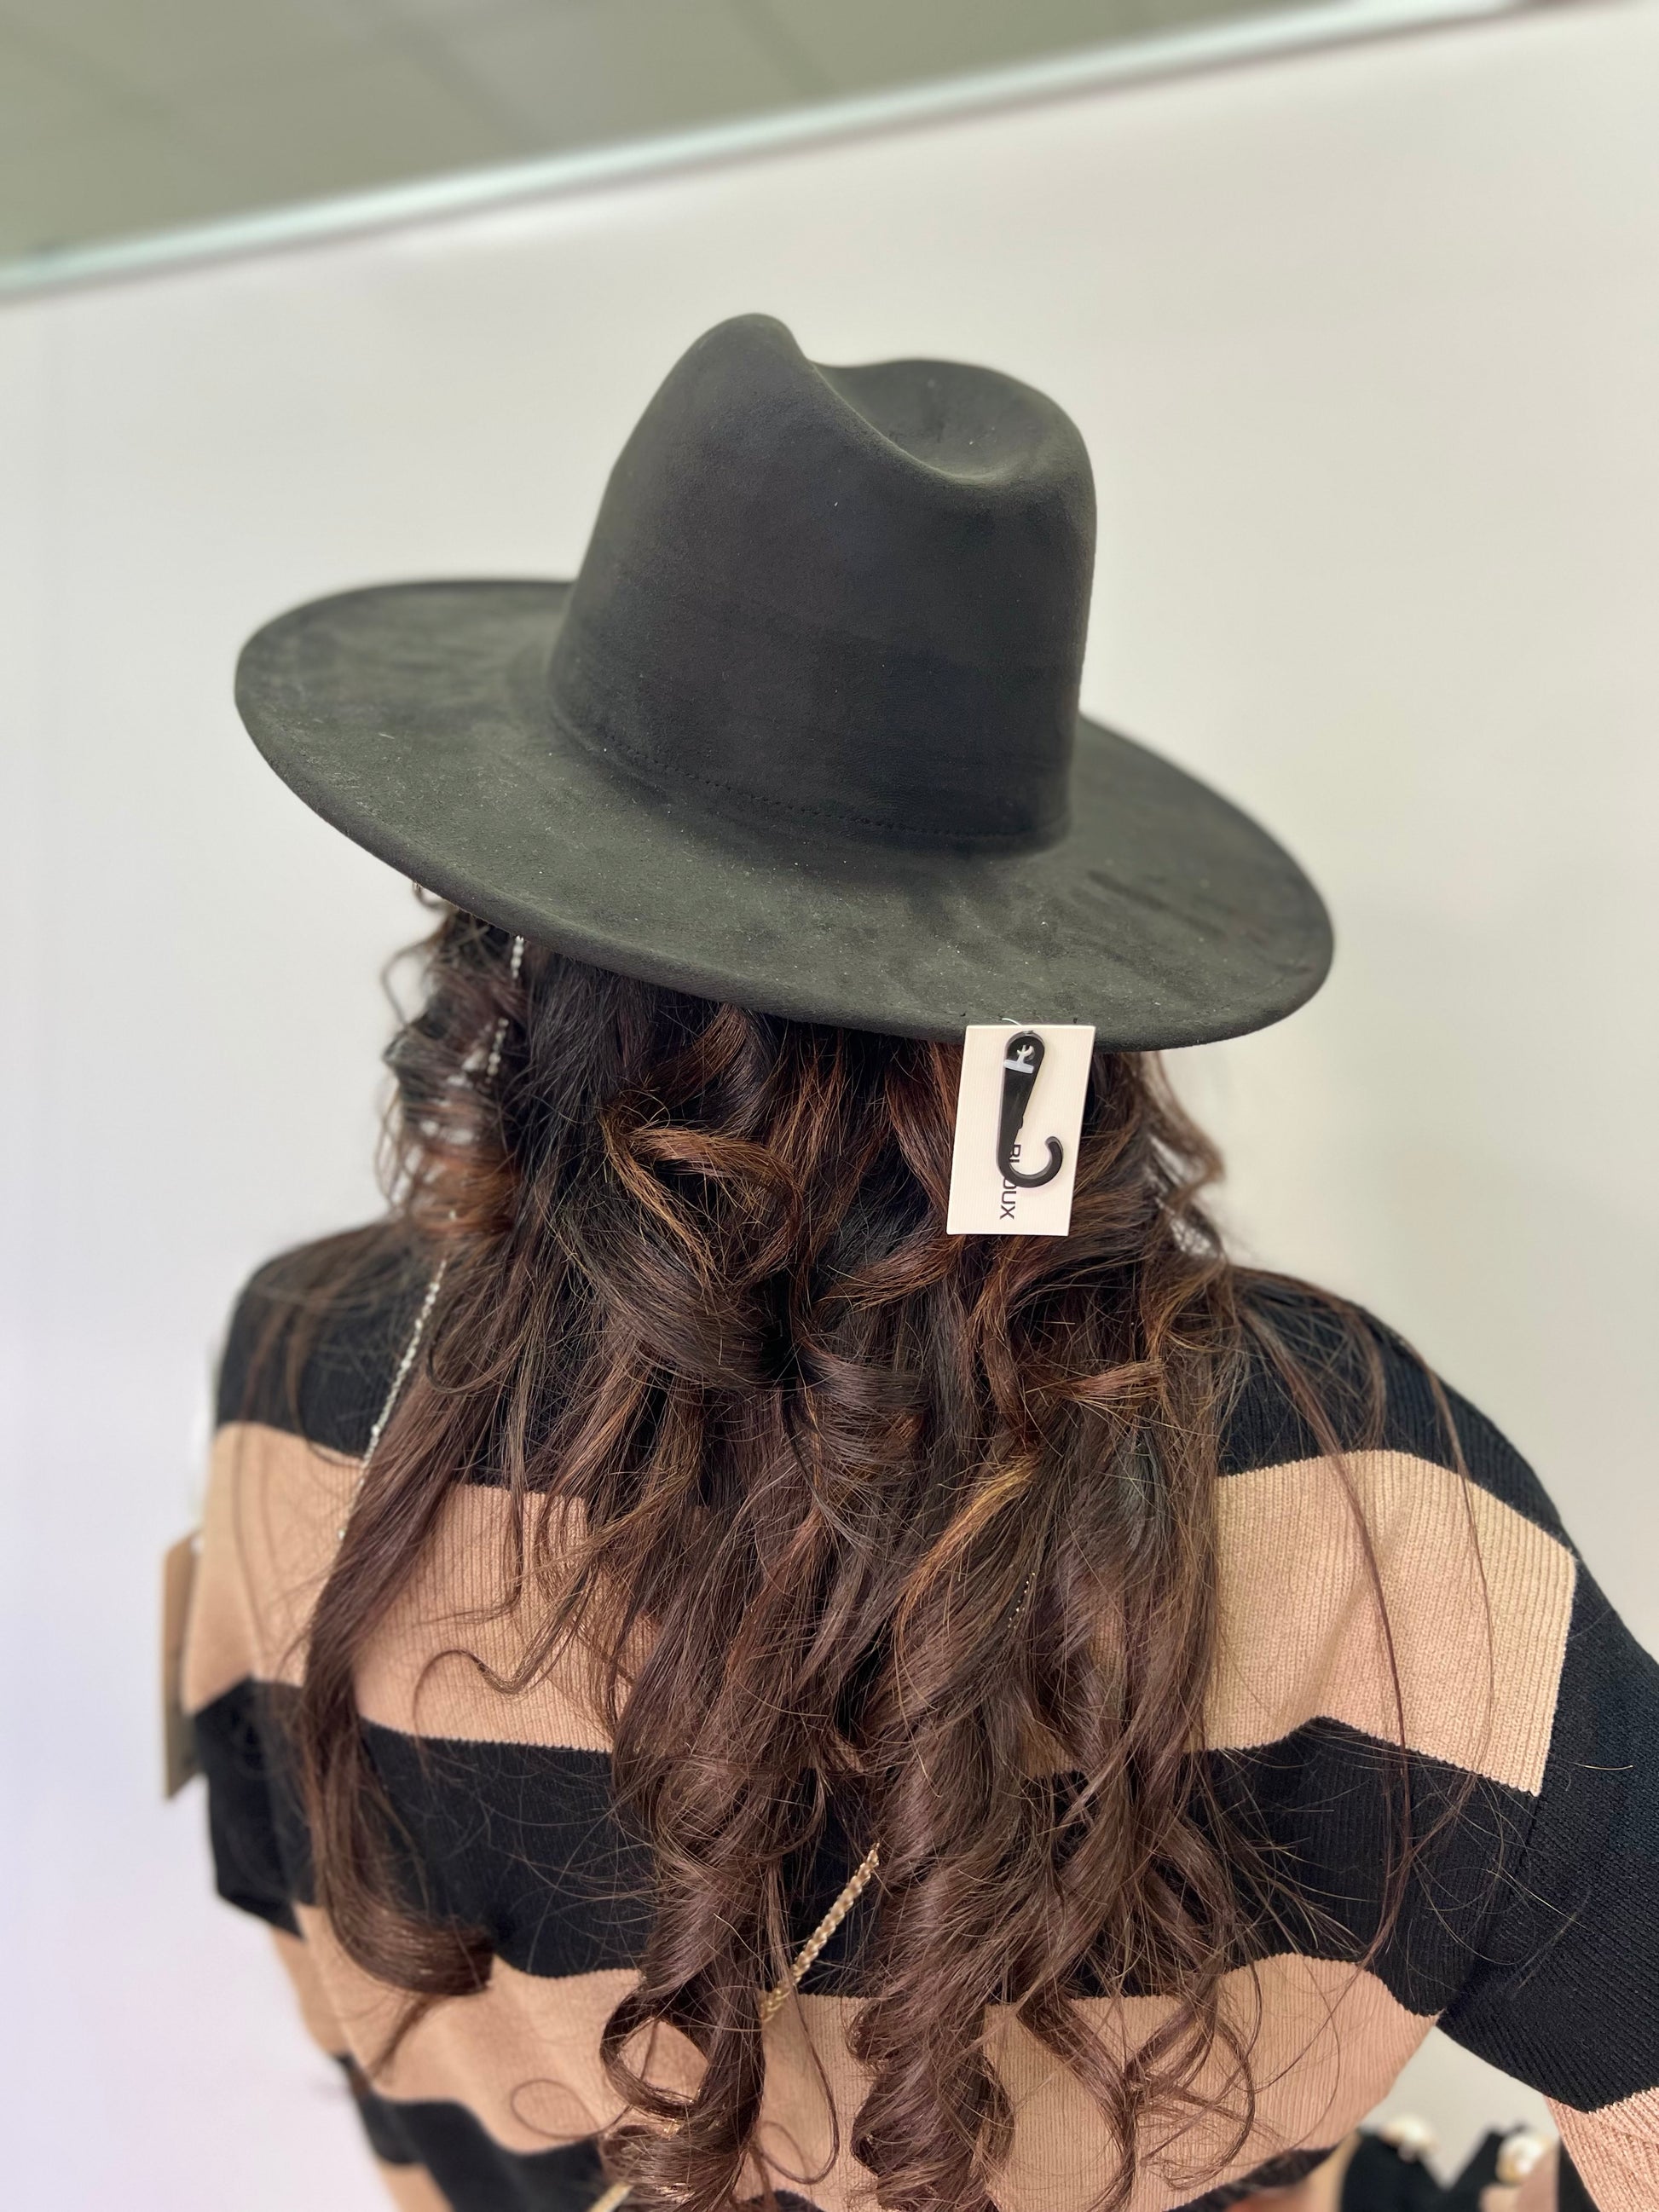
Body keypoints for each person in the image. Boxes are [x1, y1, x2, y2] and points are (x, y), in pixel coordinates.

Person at [182, 316, 1656, 2212]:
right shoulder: (1355, 1485)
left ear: (509, 918)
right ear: (1050, 987)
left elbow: (342, 1985)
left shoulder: (305, 1376)